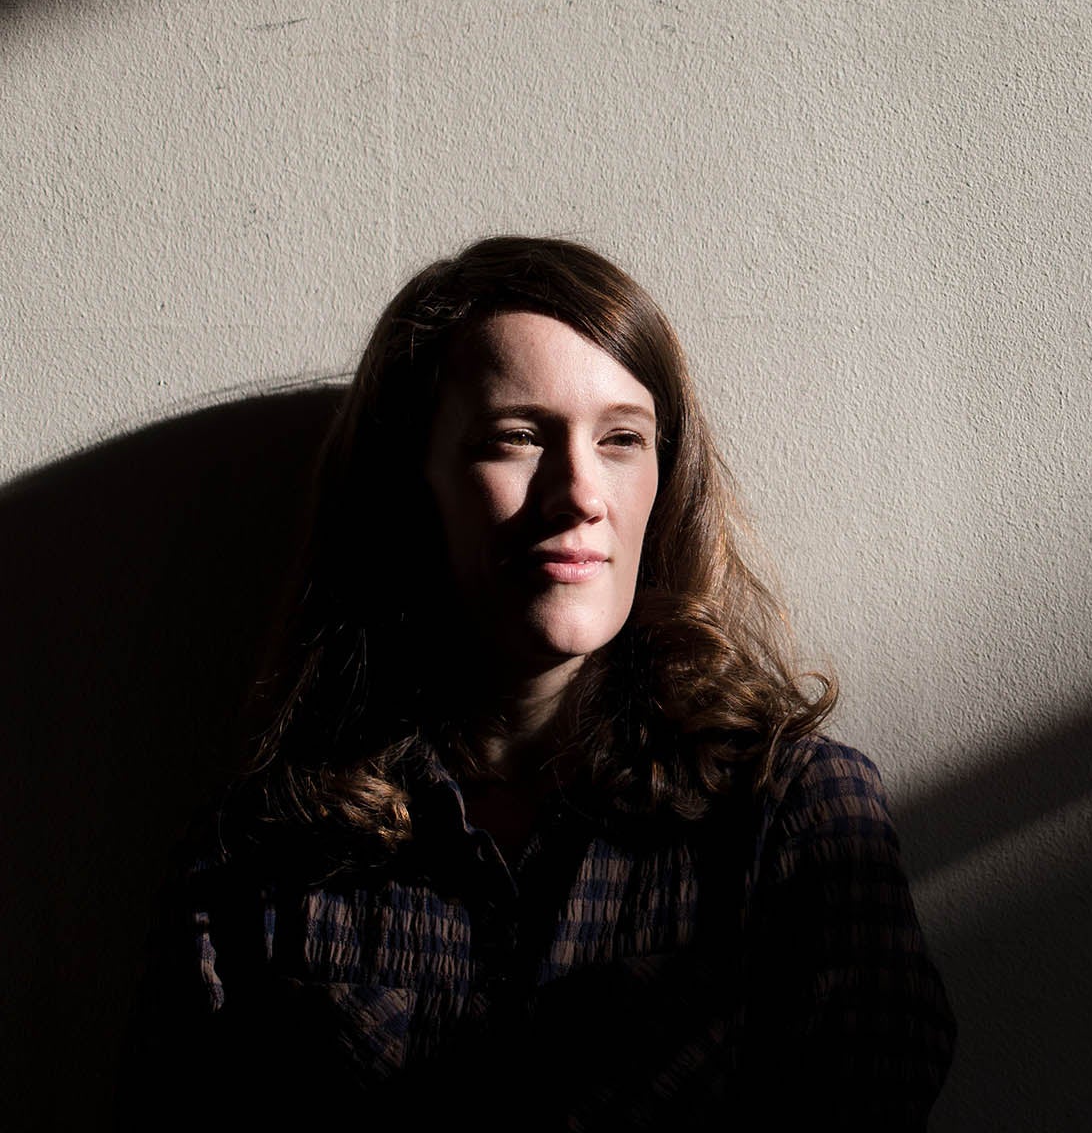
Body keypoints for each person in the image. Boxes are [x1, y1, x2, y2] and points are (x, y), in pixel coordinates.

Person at [121, 236, 955, 1128]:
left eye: (623, 440)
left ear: (665, 485)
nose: (578, 493)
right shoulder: (262, 856)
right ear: (414, 484)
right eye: (516, 438)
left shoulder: (793, 822)